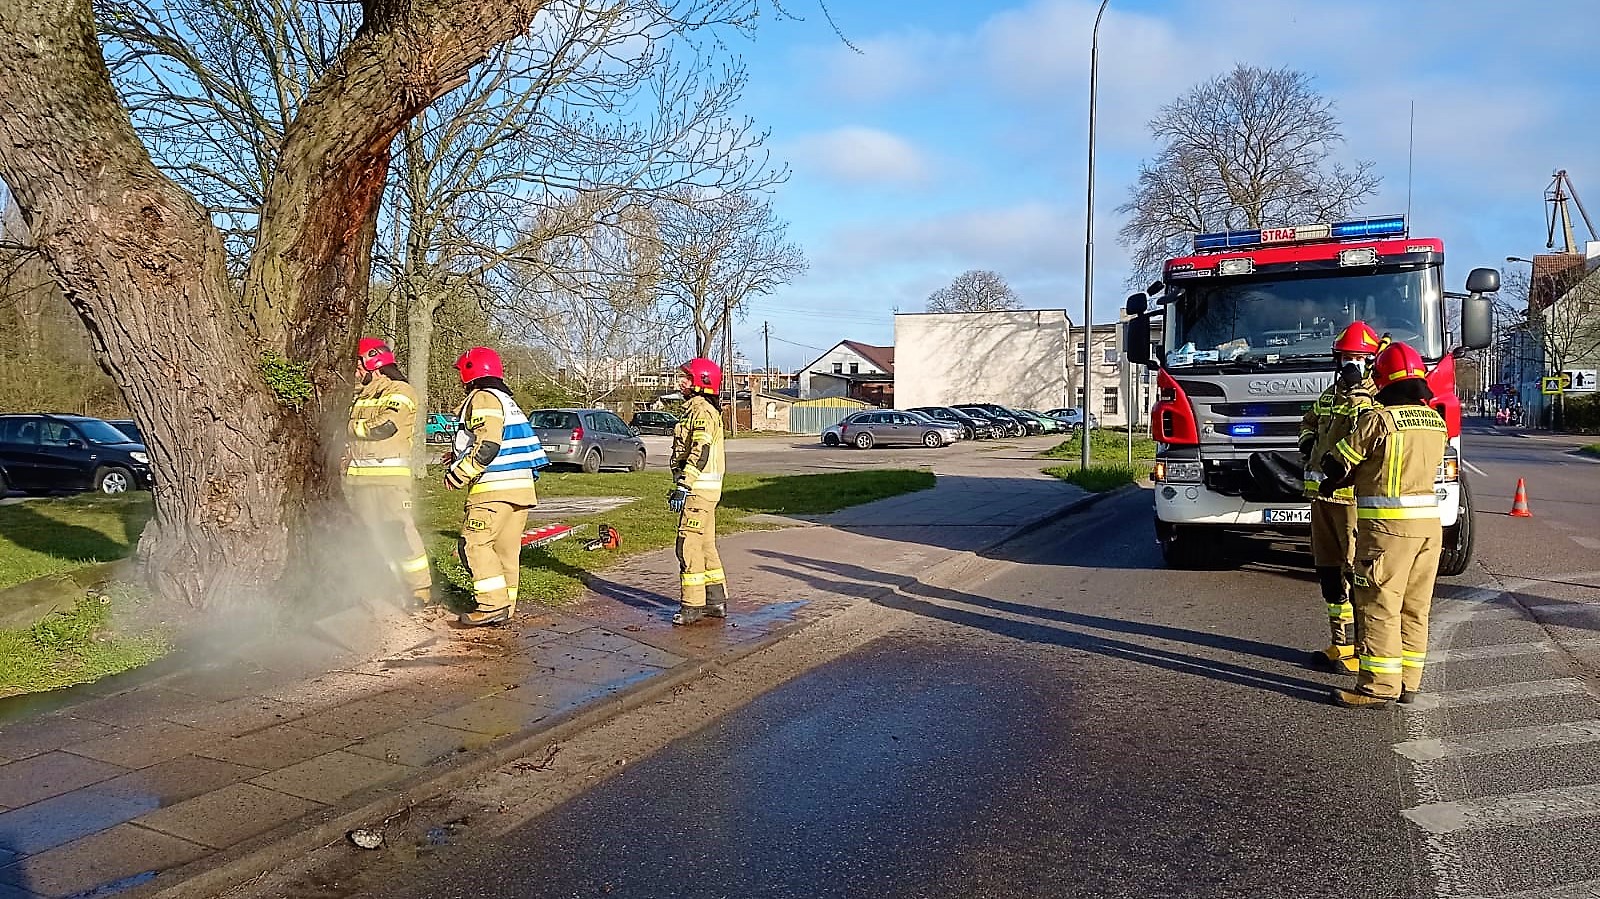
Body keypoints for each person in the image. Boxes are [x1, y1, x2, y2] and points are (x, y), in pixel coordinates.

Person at [1318, 341, 1448, 708]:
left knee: (1378, 605)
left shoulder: (1380, 420)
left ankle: (1376, 688)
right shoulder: (1435, 421)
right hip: (1428, 528)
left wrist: (1332, 478)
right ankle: (1408, 682)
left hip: (1387, 532)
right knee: (1415, 607)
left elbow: (1337, 462)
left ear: (1382, 380)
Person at [1298, 321, 1380, 674]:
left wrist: (1359, 393)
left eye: (1359, 358)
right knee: (1328, 572)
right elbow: (1309, 421)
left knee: (1355, 574)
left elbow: (1369, 444)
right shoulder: (1330, 395)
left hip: (1351, 502)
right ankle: (1340, 642)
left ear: (1372, 361)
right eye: (1346, 357)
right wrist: (1306, 442)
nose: (1351, 364)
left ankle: (1363, 647)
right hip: (1322, 500)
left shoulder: (1376, 398)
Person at [444, 347, 548, 627]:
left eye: (461, 373)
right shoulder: (505, 399)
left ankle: (491, 605)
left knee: (474, 544)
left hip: (494, 488)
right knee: (505, 552)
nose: (459, 380)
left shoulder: (482, 397)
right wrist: (457, 455)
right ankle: (506, 606)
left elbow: (489, 444)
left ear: (470, 372)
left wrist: (458, 473)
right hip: (520, 488)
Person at [346, 338, 432, 607]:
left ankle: (419, 590)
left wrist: (345, 427)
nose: (355, 372)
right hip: (360, 479)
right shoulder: (362, 395)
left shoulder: (400, 390)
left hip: (390, 478)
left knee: (400, 533)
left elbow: (385, 426)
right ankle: (389, 587)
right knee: (372, 537)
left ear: (372, 362)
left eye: (357, 365)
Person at [669, 357, 728, 626]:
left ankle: (692, 605)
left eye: (687, 377)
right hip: (706, 491)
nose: (681, 382)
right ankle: (715, 601)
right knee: (705, 545)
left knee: (688, 545)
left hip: (697, 491)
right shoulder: (701, 409)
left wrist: (684, 485)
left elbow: (700, 450)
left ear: (701, 382)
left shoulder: (701, 411)